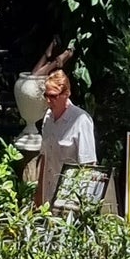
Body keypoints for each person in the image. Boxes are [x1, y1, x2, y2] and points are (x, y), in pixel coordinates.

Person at [34, 66, 96, 207]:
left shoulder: (81, 120)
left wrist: (84, 203)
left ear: (66, 93)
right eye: (46, 96)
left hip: (69, 198)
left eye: (53, 96)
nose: (49, 101)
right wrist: (39, 192)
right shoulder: (48, 118)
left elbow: (88, 165)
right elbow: (44, 157)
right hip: (48, 196)